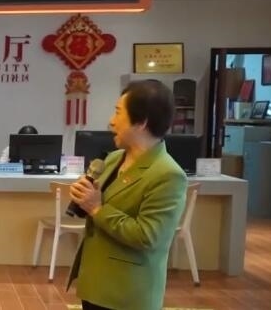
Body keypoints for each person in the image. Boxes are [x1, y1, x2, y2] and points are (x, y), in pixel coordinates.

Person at [67, 80, 188, 310]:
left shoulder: (168, 174)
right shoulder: (114, 158)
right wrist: (84, 199)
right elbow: (97, 208)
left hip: (127, 293)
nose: (111, 121)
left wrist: (97, 208)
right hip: (95, 284)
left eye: (118, 112)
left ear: (141, 122)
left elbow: (147, 236)